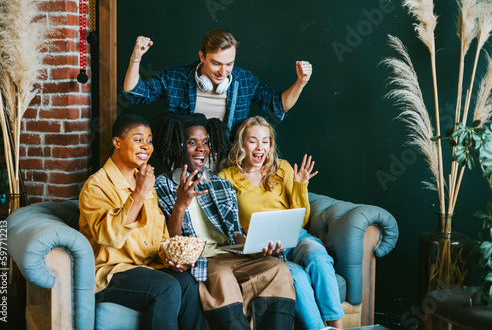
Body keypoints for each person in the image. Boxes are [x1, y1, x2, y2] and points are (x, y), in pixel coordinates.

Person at [153, 113, 296, 330]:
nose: (202, 149)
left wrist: (254, 247)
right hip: (199, 259)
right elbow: (171, 240)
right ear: (176, 147)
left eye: (206, 143)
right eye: (192, 143)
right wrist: (180, 204)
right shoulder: (162, 185)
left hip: (230, 253)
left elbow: (234, 233)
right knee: (221, 275)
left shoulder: (221, 185)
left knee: (277, 268)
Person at [79, 114, 205, 330]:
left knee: (188, 283)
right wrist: (139, 193)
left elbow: (159, 237)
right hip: (111, 273)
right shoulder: (96, 186)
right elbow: (110, 237)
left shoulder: (144, 181)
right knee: (166, 287)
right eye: (138, 139)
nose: (146, 146)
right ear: (117, 142)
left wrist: (172, 259)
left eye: (149, 140)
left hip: (147, 266)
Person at [218, 116, 344, 330]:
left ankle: (338, 327)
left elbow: (302, 219)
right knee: (297, 276)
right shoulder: (226, 177)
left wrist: (300, 185)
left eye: (265, 141)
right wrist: (250, 244)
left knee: (319, 257)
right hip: (263, 246)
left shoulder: (283, 168)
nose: (260, 148)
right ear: (242, 143)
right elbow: (227, 225)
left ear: (271, 144)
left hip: (296, 236)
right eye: (253, 141)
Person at [122, 29, 313, 131]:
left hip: (229, 166)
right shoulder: (175, 77)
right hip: (184, 163)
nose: (223, 71)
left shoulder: (244, 80)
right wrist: (136, 57)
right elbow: (132, 94)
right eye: (216, 63)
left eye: (229, 64)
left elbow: (280, 105)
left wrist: (301, 82)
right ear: (202, 56)